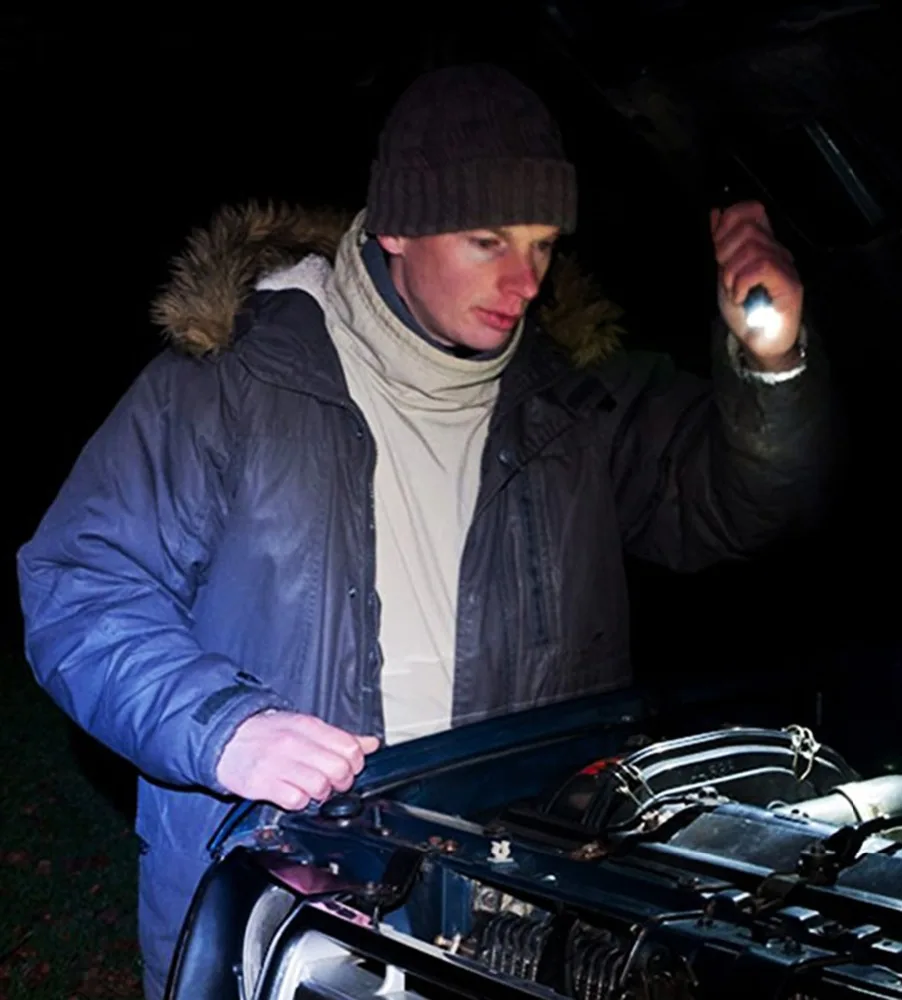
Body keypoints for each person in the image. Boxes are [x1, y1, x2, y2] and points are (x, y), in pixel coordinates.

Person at [17, 64, 831, 998]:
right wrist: (222, 726)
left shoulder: (579, 401)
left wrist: (773, 364)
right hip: (283, 909)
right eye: (487, 239)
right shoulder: (231, 382)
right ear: (396, 224)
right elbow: (77, 584)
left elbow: (749, 505)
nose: (523, 280)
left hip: (521, 914)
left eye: (542, 243)